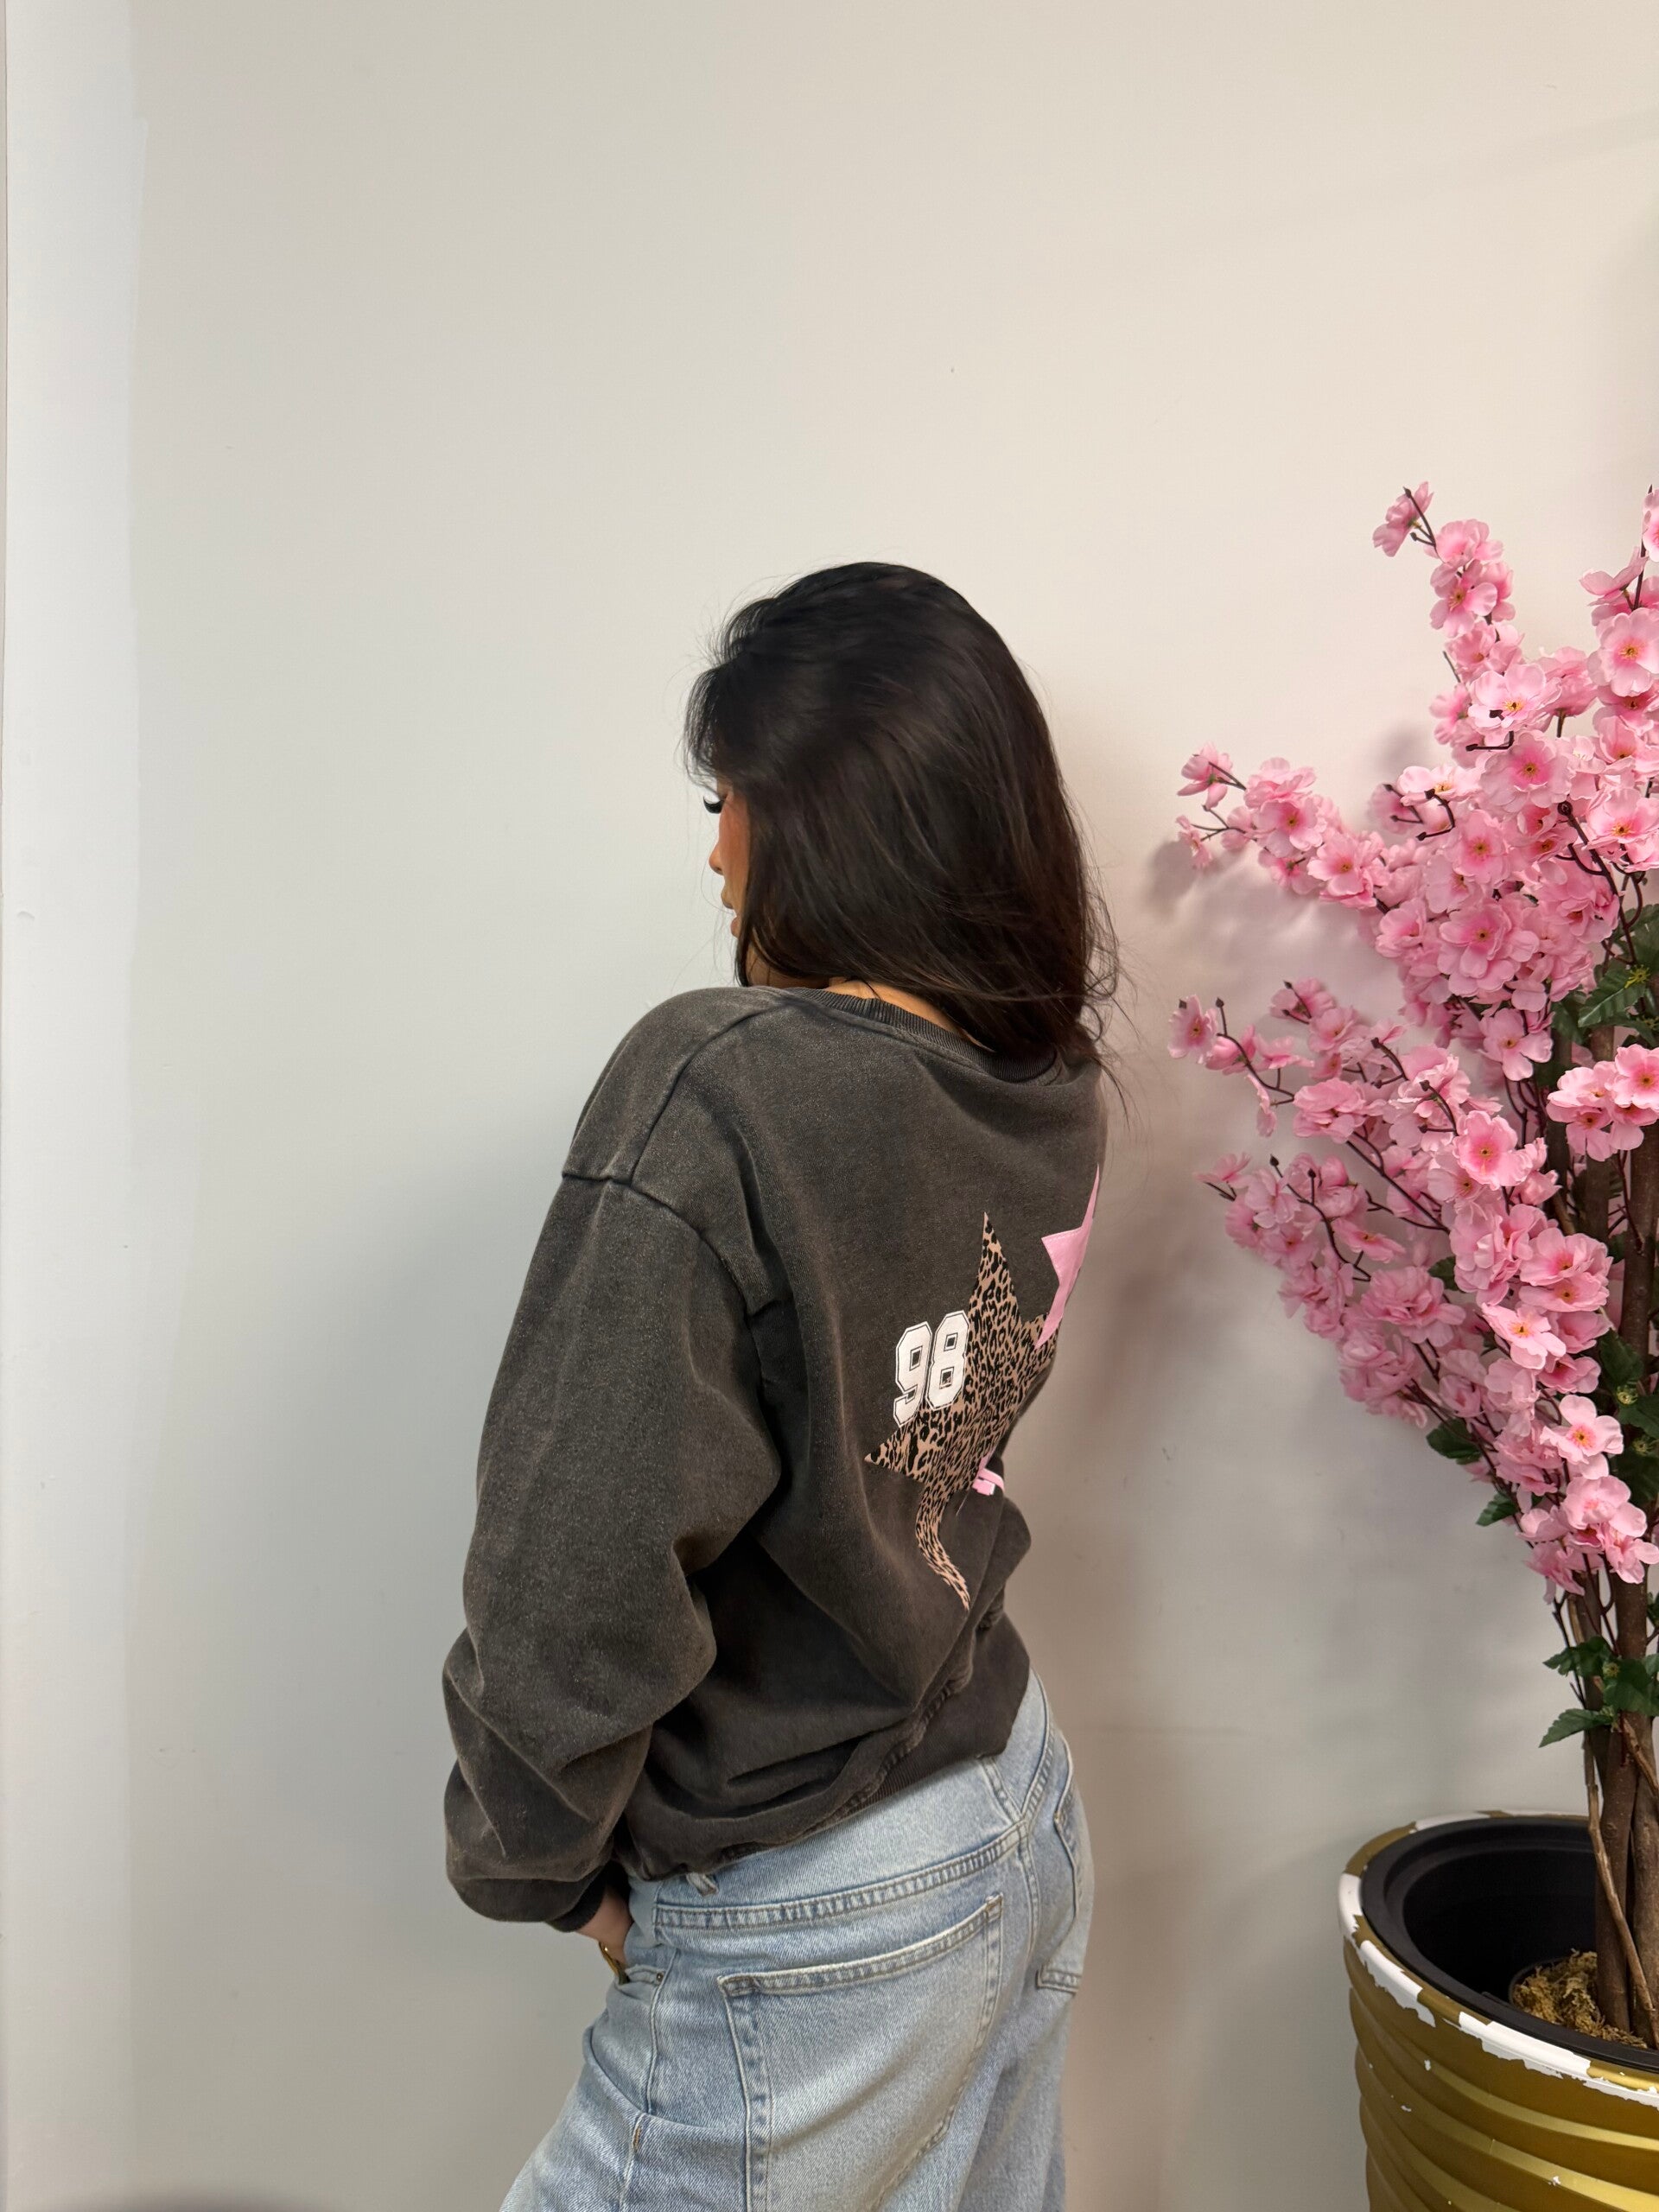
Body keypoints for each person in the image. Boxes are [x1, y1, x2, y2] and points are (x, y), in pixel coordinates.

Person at [442, 562, 1113, 2210]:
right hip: (1013, 1806)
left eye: (726, 801)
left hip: (819, 1902)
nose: (717, 854)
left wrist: (541, 1863)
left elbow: (578, 1557)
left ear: (825, 824)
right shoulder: (1044, 1084)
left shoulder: (722, 1090)